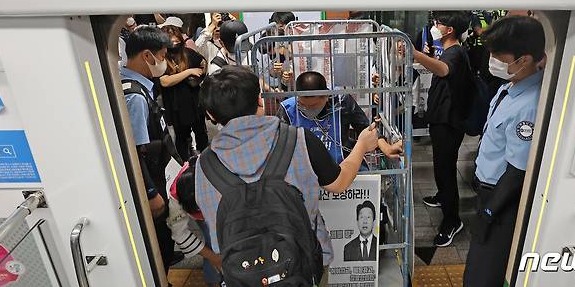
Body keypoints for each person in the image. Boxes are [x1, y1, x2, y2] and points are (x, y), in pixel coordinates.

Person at [194, 66, 382, 286]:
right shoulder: (300, 141)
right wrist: (361, 146)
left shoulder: (204, 165)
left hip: (243, 273)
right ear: (260, 100)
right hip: (303, 264)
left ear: (210, 114)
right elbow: (339, 183)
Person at [463, 16, 546, 287]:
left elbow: (517, 171)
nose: (493, 60)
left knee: (483, 276)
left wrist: (489, 213)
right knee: (476, 266)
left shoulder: (530, 105)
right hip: (486, 192)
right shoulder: (509, 88)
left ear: (524, 60)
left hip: (500, 202)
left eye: (499, 55)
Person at [412, 11, 475, 247]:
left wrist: (416, 54)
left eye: (439, 24)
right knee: (442, 164)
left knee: (445, 169)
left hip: (449, 122)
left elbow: (443, 70)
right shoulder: (451, 50)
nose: (435, 27)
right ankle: (442, 197)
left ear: (449, 30)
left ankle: (452, 220)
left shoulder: (456, 52)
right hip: (443, 118)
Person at [120, 26, 176, 272]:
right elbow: (134, 151)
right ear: (146, 56)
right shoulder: (136, 97)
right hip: (150, 175)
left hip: (158, 165)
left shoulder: (126, 82)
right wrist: (151, 193)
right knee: (158, 235)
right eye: (162, 56)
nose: (163, 63)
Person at [277, 71, 403, 164]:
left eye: (313, 105)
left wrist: (387, 148)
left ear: (326, 96)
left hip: (343, 164)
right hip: (303, 168)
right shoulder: (288, 109)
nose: (308, 109)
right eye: (302, 105)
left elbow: (365, 128)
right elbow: (279, 143)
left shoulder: (342, 101)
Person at [169, 157, 223, 286]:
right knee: (212, 245)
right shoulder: (176, 196)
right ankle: (214, 282)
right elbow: (180, 235)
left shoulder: (223, 177)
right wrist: (213, 257)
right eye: (197, 210)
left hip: (229, 205)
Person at [159, 25, 208, 162]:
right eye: (170, 40)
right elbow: (165, 81)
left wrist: (199, 75)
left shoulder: (187, 52)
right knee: (182, 138)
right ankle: (186, 165)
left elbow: (202, 62)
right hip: (176, 106)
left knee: (201, 134)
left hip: (194, 102)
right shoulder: (161, 58)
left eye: (177, 40)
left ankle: (206, 160)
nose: (174, 43)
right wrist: (188, 72)